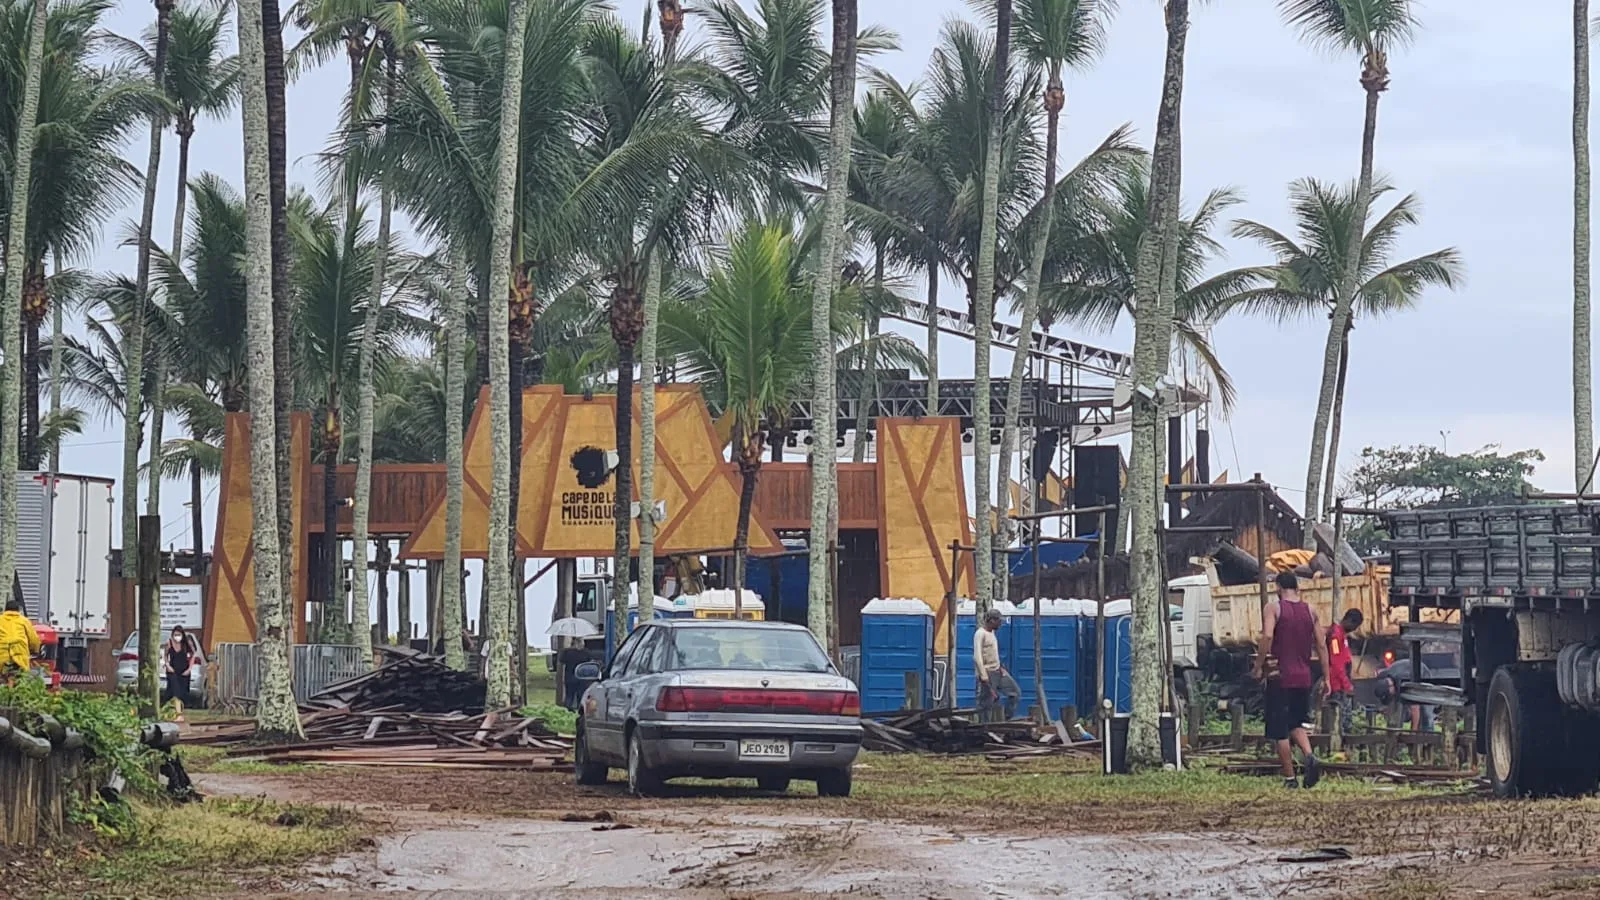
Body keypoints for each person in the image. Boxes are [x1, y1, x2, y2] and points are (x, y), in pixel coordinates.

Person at [1254, 571, 1330, 789]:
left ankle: (1290, 778)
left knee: (1279, 730)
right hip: (1303, 677)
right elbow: (1322, 645)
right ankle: (1309, 755)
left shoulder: (1273, 608)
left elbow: (1267, 636)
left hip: (1280, 676)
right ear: (1296, 587)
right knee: (1296, 723)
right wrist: (1326, 677)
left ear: (1278, 587)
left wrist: (1258, 666)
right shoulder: (1310, 610)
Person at [974, 608, 1020, 722]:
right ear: (991, 621)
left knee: (1015, 693)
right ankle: (985, 728)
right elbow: (977, 656)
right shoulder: (980, 634)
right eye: (998, 621)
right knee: (986, 704)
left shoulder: (992, 633)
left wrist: (1000, 667)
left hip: (998, 671)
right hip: (988, 673)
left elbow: (992, 653)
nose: (1000, 623)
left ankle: (1004, 719)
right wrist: (983, 674)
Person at [1326, 609, 1364, 731]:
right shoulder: (1336, 636)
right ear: (1348, 621)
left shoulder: (1342, 634)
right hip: (1338, 684)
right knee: (1342, 719)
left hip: (1341, 682)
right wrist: (1346, 684)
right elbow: (1337, 662)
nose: (1354, 629)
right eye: (1354, 626)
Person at [1375, 658, 1435, 732]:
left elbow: (1415, 708)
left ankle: (1429, 733)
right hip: (1403, 673)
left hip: (1422, 674)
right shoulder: (1383, 676)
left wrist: (1413, 731)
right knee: (1399, 704)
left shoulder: (1404, 682)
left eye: (1390, 695)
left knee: (1425, 711)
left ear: (1391, 687)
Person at [0, 596, 41, 679]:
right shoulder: (24, 620)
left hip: (2, 655)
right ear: (18, 610)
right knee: (21, 678)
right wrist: (35, 650)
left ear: (5, 610)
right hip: (19, 654)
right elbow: (33, 639)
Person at [163, 626, 196, 717]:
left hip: (184, 670)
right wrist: (167, 665)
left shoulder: (186, 643)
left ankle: (182, 708)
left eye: (179, 635)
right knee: (174, 689)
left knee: (183, 690)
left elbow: (193, 655)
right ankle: (175, 708)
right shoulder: (169, 643)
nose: (177, 637)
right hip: (172, 670)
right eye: (175, 635)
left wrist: (189, 669)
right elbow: (165, 655)